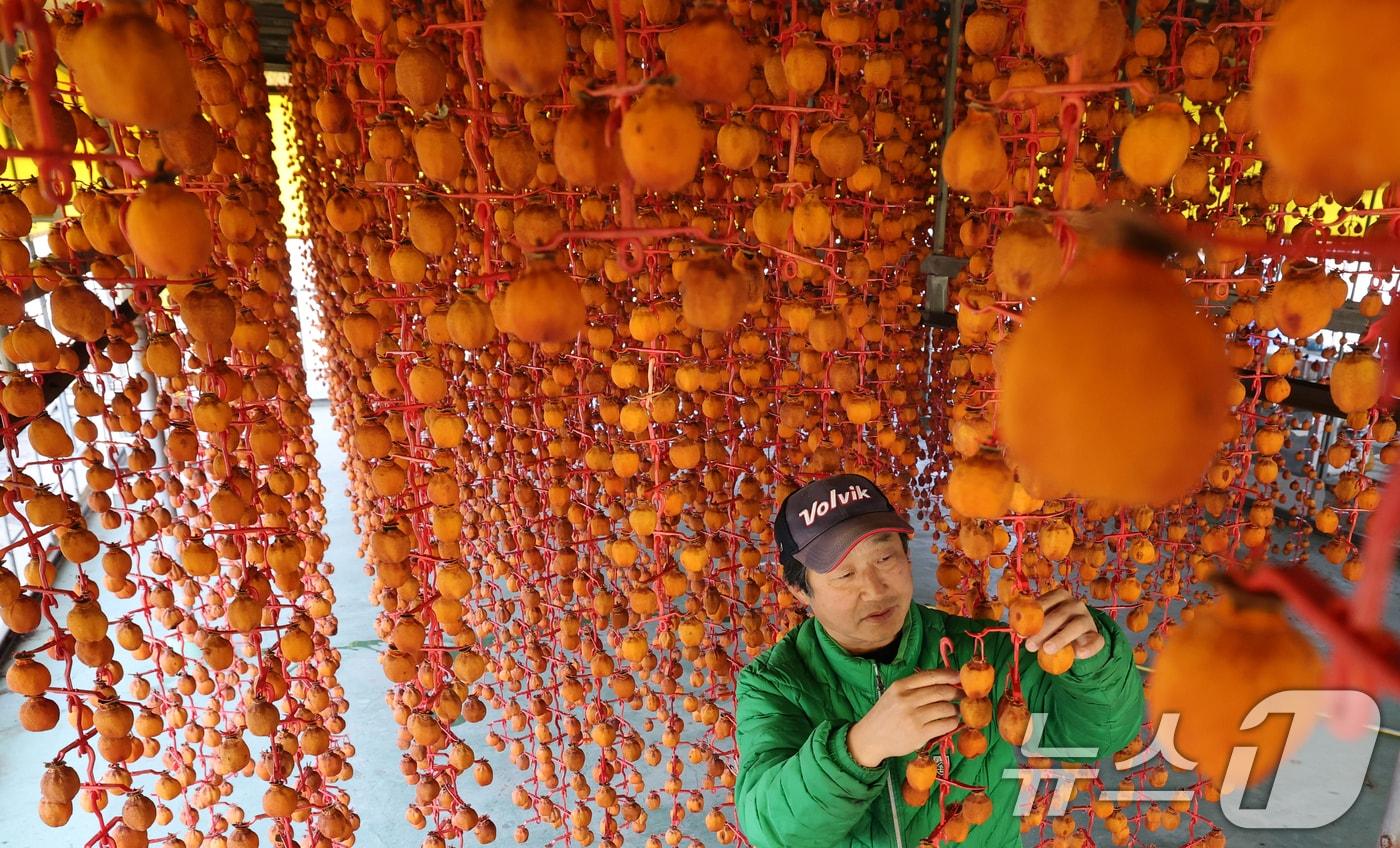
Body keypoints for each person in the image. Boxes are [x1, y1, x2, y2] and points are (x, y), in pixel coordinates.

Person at [734, 473, 1145, 848]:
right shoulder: (774, 683)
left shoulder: (979, 651)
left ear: (907, 556)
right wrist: (858, 749)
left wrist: (1093, 663)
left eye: (885, 558)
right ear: (799, 590)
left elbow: (1096, 737)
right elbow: (772, 829)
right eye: (844, 575)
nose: (875, 589)